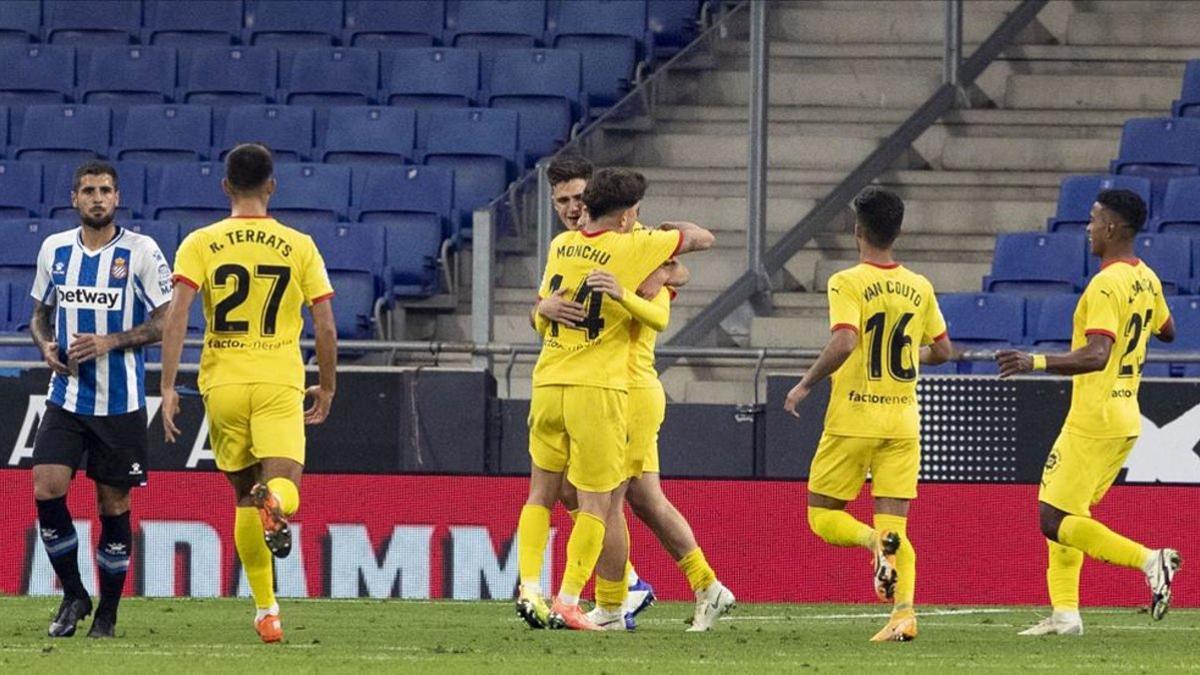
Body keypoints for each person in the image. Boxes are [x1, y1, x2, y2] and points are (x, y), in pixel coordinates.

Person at [536, 155, 734, 632]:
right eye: (561, 201)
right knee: (640, 499)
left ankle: (613, 602)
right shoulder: (575, 249)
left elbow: (684, 268)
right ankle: (704, 586)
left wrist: (663, 274)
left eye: (578, 199)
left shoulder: (640, 247)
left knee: (603, 501)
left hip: (627, 387)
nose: (571, 209)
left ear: (601, 201)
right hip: (604, 387)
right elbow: (540, 313)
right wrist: (544, 307)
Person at [159, 143, 338, 644]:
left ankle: (266, 611)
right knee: (286, 487)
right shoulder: (299, 244)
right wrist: (327, 384)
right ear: (272, 187)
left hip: (223, 382)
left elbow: (178, 315)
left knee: (241, 498)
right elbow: (324, 325)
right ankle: (276, 502)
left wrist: (169, 384)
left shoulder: (200, 242)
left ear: (225, 187)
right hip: (280, 377)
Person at [998, 189, 1181, 636]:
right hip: (1124, 414)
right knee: (1068, 513)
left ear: (1114, 228)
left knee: (1052, 518)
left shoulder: (1106, 283)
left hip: (1095, 417)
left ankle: (1149, 561)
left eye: (1095, 219)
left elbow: (1097, 354)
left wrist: (1035, 361)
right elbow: (1169, 330)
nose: (1088, 227)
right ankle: (1066, 616)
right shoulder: (1147, 278)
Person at [783, 186, 952, 642]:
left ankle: (872, 544)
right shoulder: (920, 286)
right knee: (895, 524)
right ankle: (903, 613)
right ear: (897, 231)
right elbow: (943, 350)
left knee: (822, 516)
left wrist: (804, 384)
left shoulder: (847, 281)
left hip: (853, 418)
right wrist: (907, 354)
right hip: (902, 422)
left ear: (858, 230)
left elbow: (844, 341)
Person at [29, 161, 173, 638]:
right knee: (46, 488)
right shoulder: (54, 249)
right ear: (74, 198)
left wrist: (111, 342)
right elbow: (39, 314)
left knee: (112, 507)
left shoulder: (141, 251)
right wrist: (46, 345)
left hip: (121, 403)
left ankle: (107, 615)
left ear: (117, 197)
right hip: (66, 395)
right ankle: (74, 593)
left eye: (105, 190)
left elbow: (167, 322)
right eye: (88, 190)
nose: (96, 197)